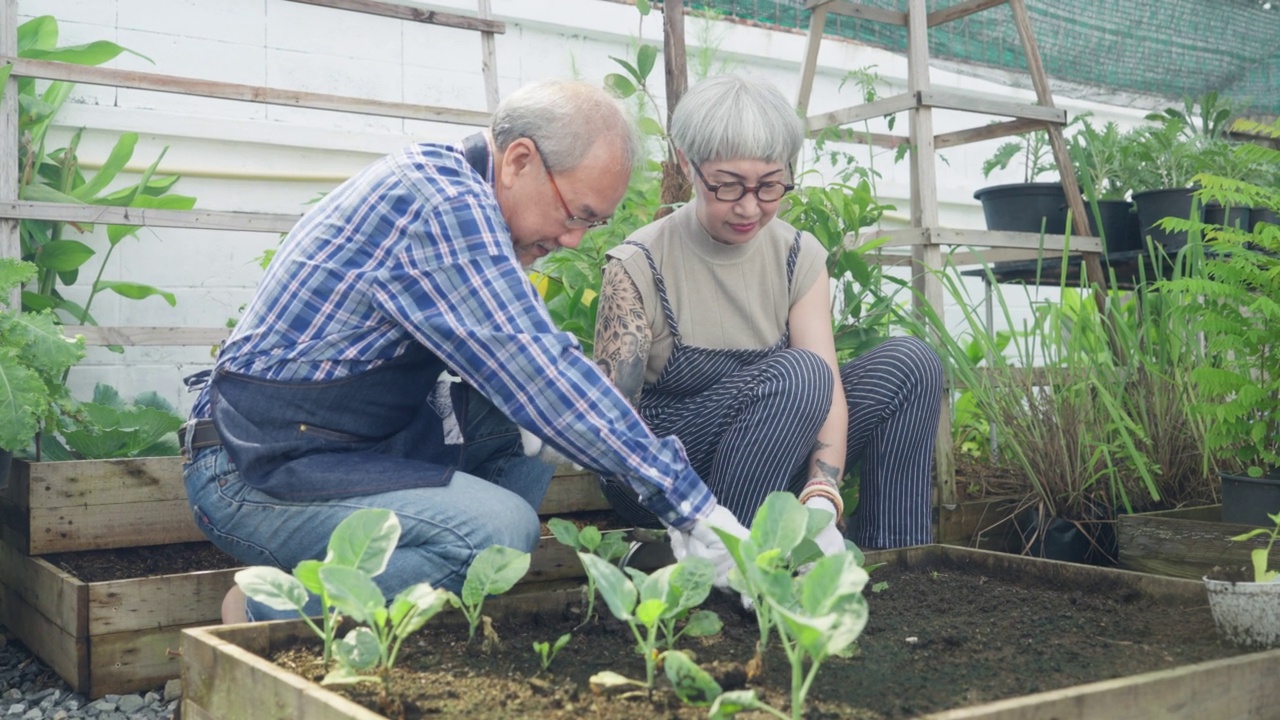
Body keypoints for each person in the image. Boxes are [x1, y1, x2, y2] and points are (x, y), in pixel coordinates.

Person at [180, 79, 749, 623]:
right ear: (520, 160)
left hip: (338, 444)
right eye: (576, 215)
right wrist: (692, 509)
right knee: (500, 533)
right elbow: (541, 374)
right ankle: (268, 610)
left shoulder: (459, 189)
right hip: (250, 471)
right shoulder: (442, 205)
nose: (574, 239)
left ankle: (437, 588)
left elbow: (537, 360)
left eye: (592, 224)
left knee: (524, 421)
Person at [595, 74, 942, 551]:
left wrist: (823, 493)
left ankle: (893, 561)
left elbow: (829, 392)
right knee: (799, 374)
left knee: (911, 364)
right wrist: (691, 506)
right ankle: (734, 561)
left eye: (770, 187)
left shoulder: (797, 256)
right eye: (729, 186)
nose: (750, 208)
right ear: (686, 163)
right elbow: (615, 430)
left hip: (775, 451)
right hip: (666, 471)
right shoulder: (639, 265)